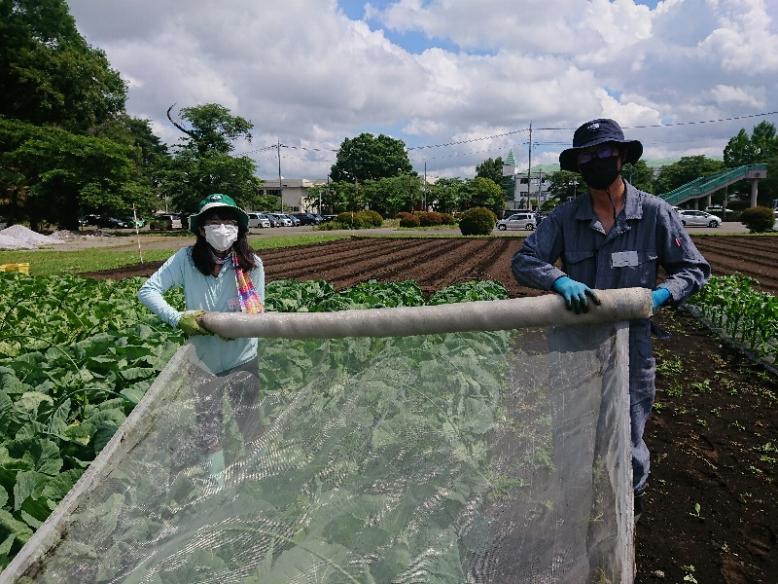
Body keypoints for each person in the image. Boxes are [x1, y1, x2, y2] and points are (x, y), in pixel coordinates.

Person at [511, 119, 710, 519]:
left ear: (620, 157)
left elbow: (694, 269)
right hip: (574, 345)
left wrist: (660, 294)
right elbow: (524, 260)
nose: (597, 161)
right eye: (588, 156)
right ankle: (574, 506)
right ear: (578, 165)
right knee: (571, 430)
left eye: (604, 153)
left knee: (628, 429)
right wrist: (560, 279)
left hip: (632, 346)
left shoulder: (655, 213)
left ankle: (629, 505)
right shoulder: (566, 218)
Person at [138, 193, 265, 480]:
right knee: (208, 424)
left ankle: (259, 476)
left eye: (229, 221)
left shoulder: (251, 263)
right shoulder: (185, 259)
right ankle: (216, 482)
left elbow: (258, 313)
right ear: (201, 228)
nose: (222, 228)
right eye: (214, 221)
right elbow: (148, 291)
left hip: (242, 356)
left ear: (239, 228)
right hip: (203, 361)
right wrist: (177, 318)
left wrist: (241, 328)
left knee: (249, 419)